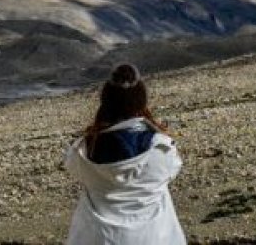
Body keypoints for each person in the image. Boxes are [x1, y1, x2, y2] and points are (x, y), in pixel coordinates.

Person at [64, 64, 185, 245]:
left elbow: (71, 166)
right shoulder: (161, 148)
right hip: (154, 237)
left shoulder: (83, 150)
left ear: (106, 101)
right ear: (141, 102)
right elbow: (173, 168)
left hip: (99, 238)